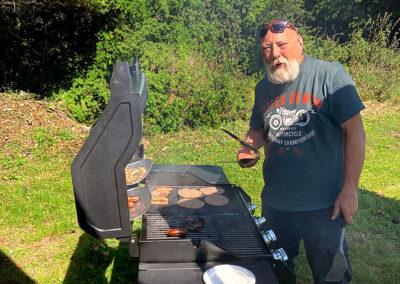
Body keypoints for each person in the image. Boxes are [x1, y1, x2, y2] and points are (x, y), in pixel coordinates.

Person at [237, 19, 366, 283]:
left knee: (332, 275)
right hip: (276, 202)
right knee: (276, 272)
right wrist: (248, 147)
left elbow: (355, 132)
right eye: (266, 49)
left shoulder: (329, 75)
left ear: (300, 43)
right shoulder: (263, 87)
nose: (275, 54)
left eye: (282, 45)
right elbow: (258, 130)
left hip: (325, 205)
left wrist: (350, 189)